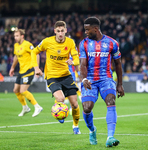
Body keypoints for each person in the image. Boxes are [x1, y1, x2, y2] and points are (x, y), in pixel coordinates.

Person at [79, 17, 124, 147]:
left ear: (95, 29)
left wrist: (120, 84)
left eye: (87, 30)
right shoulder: (84, 44)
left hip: (106, 78)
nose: (86, 32)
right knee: (87, 108)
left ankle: (110, 137)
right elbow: (82, 65)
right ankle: (92, 130)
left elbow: (118, 64)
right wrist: (84, 79)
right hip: (90, 79)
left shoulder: (112, 43)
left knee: (111, 101)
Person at [31, 21, 81, 134]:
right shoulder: (47, 41)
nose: (60, 33)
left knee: (75, 104)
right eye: (58, 31)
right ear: (55, 31)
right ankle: (59, 113)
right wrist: (36, 68)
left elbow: (77, 58)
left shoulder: (70, 42)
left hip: (66, 75)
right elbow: (34, 52)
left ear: (65, 31)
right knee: (60, 99)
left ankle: (75, 126)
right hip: (52, 76)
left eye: (62, 31)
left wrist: (73, 62)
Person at [9, 28, 43, 117]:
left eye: (17, 36)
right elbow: (16, 56)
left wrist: (37, 69)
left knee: (23, 90)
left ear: (22, 36)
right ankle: (25, 108)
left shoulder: (27, 45)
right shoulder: (16, 45)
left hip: (29, 70)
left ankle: (37, 106)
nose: (15, 38)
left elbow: (36, 54)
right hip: (21, 71)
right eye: (14, 36)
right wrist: (12, 68)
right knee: (16, 90)